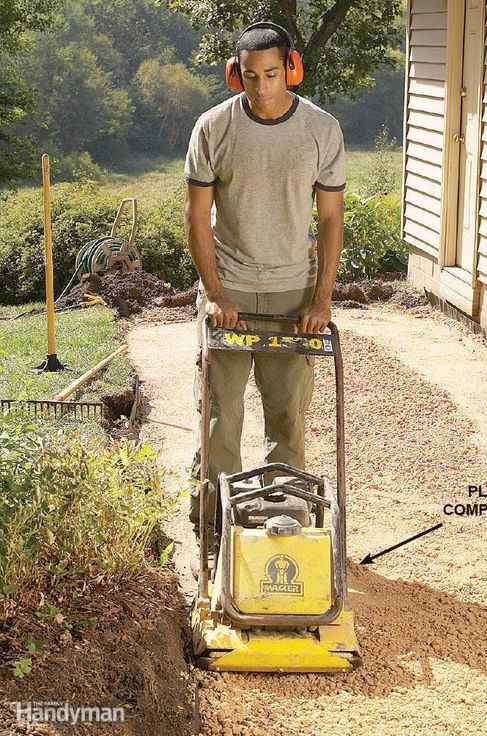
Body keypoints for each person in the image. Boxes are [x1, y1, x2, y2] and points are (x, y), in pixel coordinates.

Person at [184, 21, 345, 534]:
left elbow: (331, 219)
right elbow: (196, 216)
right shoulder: (214, 128)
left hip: (292, 293)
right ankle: (215, 522)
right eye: (250, 76)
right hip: (229, 289)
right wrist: (215, 294)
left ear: (291, 69)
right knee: (220, 415)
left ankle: (286, 519)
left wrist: (320, 302)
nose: (262, 87)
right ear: (236, 74)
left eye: (272, 74)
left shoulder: (322, 130)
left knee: (287, 414)